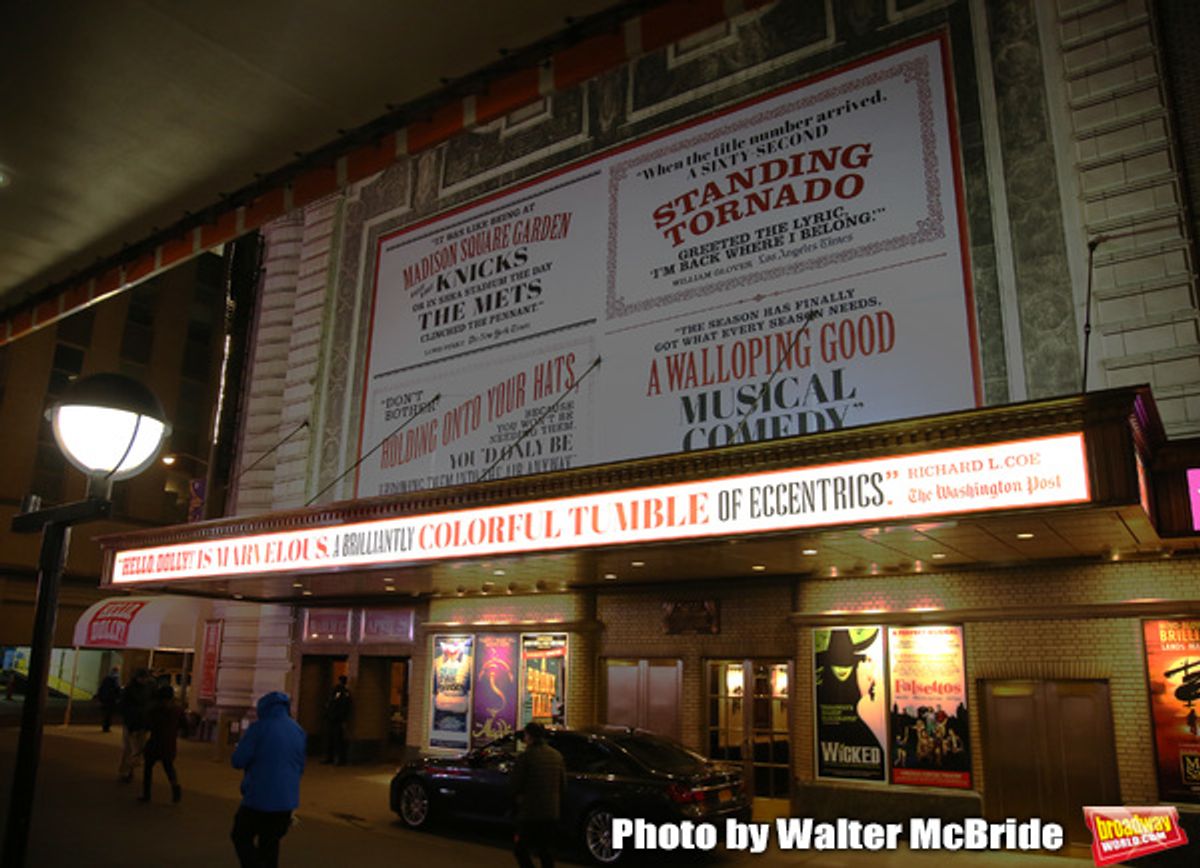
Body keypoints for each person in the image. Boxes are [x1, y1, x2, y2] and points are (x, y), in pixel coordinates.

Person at [231, 691, 306, 868]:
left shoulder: (259, 728)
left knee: (240, 835)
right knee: (270, 844)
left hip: (258, 798)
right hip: (286, 801)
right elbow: (300, 766)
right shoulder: (298, 730)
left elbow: (238, 760)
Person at [510, 722, 566, 868]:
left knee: (520, 849)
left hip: (530, 812)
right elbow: (562, 784)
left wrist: (515, 804)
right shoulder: (557, 756)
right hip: (551, 812)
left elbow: (516, 784)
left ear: (529, 736)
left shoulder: (526, 757)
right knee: (545, 850)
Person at [140, 684, 183, 803]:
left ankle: (146, 794)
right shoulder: (177, 710)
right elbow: (183, 725)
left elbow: (148, 724)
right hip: (169, 743)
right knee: (169, 768)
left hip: (155, 742)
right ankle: (176, 789)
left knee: (148, 769)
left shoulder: (156, 709)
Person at [118, 668, 154, 782]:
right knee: (129, 749)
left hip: (141, 723)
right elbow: (124, 707)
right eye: (143, 678)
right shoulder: (131, 690)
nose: (145, 680)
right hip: (132, 723)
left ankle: (129, 770)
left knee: (136, 749)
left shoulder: (147, 688)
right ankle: (126, 771)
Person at [322, 675, 352, 766]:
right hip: (334, 719)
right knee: (333, 740)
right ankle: (332, 758)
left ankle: (338, 759)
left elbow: (339, 705)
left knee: (336, 740)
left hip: (336, 720)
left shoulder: (342, 692)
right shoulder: (340, 692)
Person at [96, 666, 121, 733]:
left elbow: (101, 688)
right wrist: (118, 697)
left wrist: (100, 697)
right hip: (111, 699)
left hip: (105, 698)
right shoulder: (115, 679)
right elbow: (117, 689)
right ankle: (106, 727)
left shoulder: (106, 678)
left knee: (106, 713)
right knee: (109, 714)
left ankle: (105, 726)